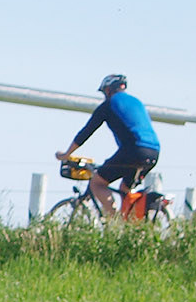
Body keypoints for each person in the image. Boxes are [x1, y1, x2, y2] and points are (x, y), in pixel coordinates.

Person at [58, 74, 160, 216]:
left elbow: (86, 132)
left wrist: (66, 154)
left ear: (108, 90)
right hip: (154, 151)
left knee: (97, 183)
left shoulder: (108, 105)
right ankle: (130, 225)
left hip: (133, 150)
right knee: (125, 190)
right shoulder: (137, 102)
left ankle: (115, 223)